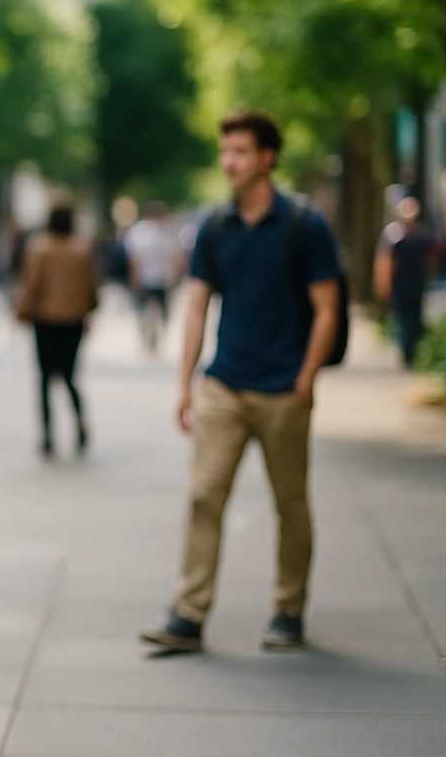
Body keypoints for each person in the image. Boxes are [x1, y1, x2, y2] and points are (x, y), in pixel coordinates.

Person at [140, 111, 342, 654]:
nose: (229, 161)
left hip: (283, 390)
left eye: (241, 152)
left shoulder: (304, 224)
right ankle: (188, 614)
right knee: (205, 496)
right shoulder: (215, 226)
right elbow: (197, 305)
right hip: (224, 386)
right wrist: (186, 384)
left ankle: (288, 609)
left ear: (267, 158)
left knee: (290, 504)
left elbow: (327, 307)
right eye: (225, 151)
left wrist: (305, 379)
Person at [15, 202, 99, 457]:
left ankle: (48, 434)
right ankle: (80, 424)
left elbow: (32, 283)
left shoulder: (39, 248)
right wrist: (88, 310)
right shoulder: (81, 251)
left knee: (43, 378)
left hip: (45, 321)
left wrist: (22, 310)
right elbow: (91, 287)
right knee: (71, 376)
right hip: (73, 321)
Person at [373, 197, 438, 366]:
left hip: (416, 284)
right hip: (400, 285)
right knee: (402, 319)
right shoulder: (393, 235)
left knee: (414, 318)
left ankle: (411, 352)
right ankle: (406, 352)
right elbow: (385, 261)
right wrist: (383, 283)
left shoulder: (421, 235)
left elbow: (431, 258)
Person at [123, 199, 182, 355]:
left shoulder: (138, 232)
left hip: (148, 277)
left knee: (145, 309)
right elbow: (173, 256)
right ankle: (154, 335)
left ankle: (148, 335)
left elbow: (134, 259)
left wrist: (134, 277)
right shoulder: (165, 232)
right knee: (161, 310)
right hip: (160, 277)